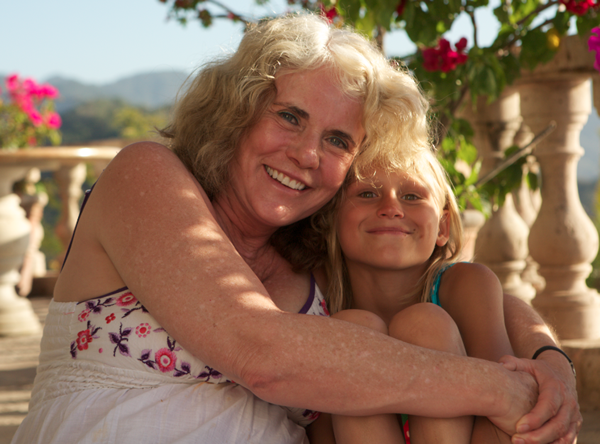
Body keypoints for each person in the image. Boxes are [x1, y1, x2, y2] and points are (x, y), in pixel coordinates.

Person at [11, 13, 579, 444]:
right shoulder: (146, 176)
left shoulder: (316, 264)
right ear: (236, 112)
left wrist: (552, 362)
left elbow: (459, 288)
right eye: (289, 117)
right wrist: (501, 389)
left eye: (338, 141)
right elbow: (261, 351)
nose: (308, 154)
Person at [301, 148, 533, 443]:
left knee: (423, 323)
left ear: (443, 226)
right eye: (367, 194)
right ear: (332, 218)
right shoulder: (314, 298)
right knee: (352, 330)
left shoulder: (466, 286)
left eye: (412, 196)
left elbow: (508, 413)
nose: (390, 208)